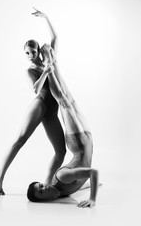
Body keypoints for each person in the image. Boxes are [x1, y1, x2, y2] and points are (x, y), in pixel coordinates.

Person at [0, 9, 66, 195]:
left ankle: (46, 183)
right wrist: (45, 72)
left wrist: (47, 18)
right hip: (39, 104)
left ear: (38, 51)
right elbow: (35, 89)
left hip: (52, 109)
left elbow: (55, 38)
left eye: (32, 52)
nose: (30, 55)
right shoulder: (30, 70)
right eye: (26, 53)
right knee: (20, 140)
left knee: (61, 152)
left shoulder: (48, 60)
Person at [27, 45, 99, 208]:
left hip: (78, 142)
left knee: (63, 100)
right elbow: (83, 181)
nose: (45, 188)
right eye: (42, 191)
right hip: (86, 137)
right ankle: (52, 61)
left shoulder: (62, 176)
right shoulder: (63, 192)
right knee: (68, 97)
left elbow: (93, 172)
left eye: (41, 186)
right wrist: (94, 185)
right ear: (44, 200)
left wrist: (93, 199)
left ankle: (49, 64)